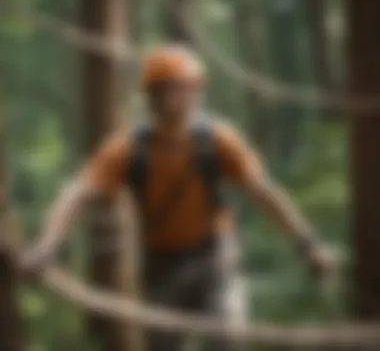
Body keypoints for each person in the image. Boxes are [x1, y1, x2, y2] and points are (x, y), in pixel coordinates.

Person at [22, 45, 334, 350]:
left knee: (227, 337)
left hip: (215, 258)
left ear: (198, 93)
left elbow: (263, 192)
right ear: (151, 98)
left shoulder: (218, 141)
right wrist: (46, 246)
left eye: (185, 90)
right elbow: (78, 193)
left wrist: (307, 244)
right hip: (161, 263)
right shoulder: (129, 149)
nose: (176, 101)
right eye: (167, 91)